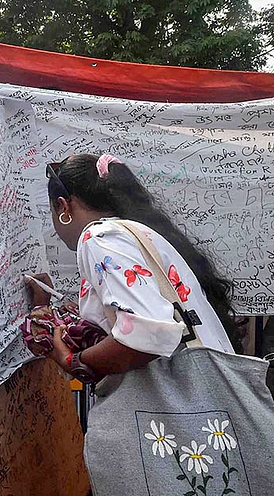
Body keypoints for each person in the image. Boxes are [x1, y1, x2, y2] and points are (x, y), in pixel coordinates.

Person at [29, 153, 238, 383]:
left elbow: (147, 333)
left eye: (52, 212)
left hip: (183, 402)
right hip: (208, 392)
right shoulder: (134, 233)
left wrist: (74, 362)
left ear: (63, 206)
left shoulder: (98, 237)